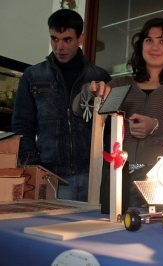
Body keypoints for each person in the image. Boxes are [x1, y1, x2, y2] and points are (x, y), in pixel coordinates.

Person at [73, 18, 163, 207]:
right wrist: (88, 92)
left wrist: (156, 127)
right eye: (149, 40)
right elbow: (78, 111)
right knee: (110, 227)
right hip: (117, 172)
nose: (154, 47)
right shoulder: (122, 84)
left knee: (152, 229)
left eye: (162, 41)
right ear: (141, 45)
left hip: (160, 178)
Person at [12, 9, 112, 202]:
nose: (59, 46)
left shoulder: (100, 77)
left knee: (92, 231)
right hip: (52, 176)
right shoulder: (33, 76)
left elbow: (110, 128)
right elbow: (22, 126)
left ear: (80, 38)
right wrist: (34, 168)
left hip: (93, 174)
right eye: (54, 39)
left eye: (67, 39)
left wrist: (107, 168)